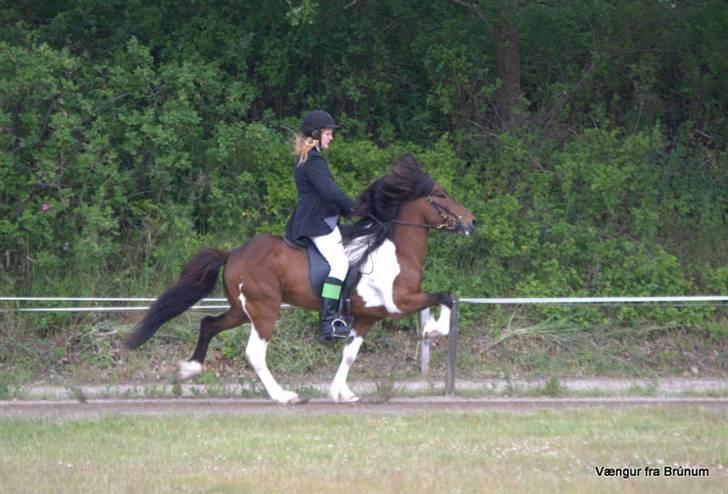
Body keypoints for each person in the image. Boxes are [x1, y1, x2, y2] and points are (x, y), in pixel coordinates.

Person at [285, 110, 355, 343]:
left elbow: (325, 195)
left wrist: (347, 209)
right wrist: (355, 208)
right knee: (340, 264)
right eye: (328, 133)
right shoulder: (313, 159)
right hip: (317, 222)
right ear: (316, 134)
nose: (331, 137)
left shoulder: (308, 157)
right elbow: (329, 192)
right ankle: (328, 324)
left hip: (316, 218)